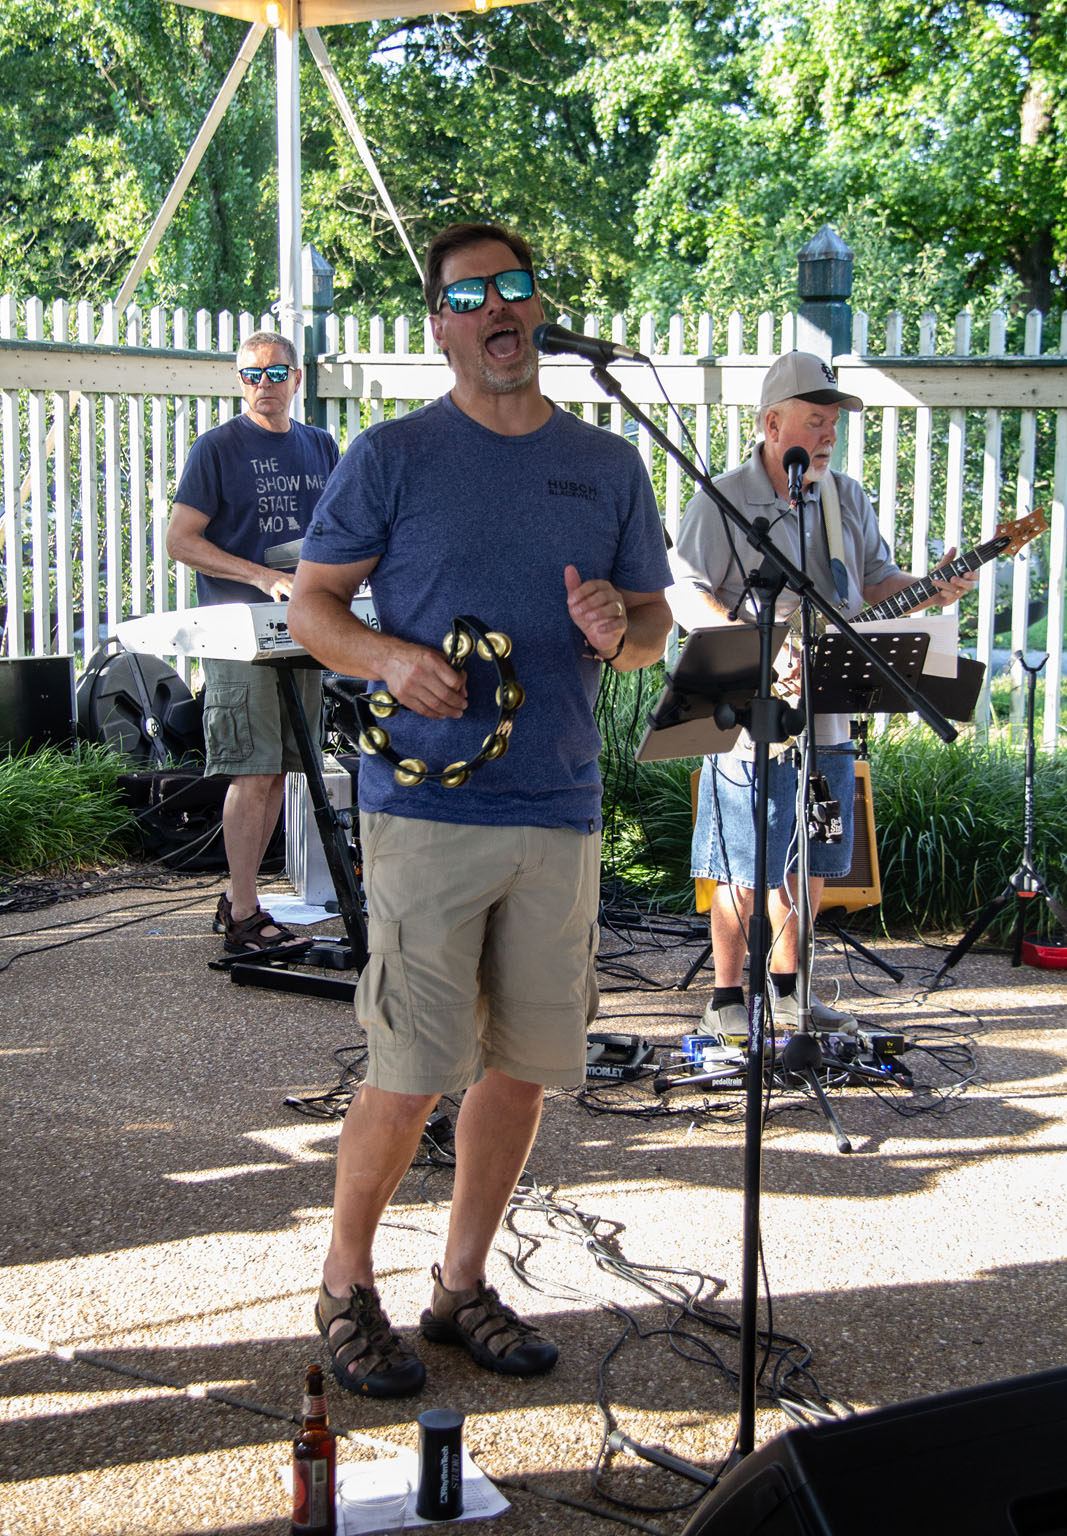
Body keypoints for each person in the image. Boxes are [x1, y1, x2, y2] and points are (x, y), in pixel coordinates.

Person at [287, 221, 673, 1398]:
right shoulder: (393, 453)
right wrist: (389, 660)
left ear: (538, 306)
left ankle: (460, 1286)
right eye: (472, 294)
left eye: (516, 286)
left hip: (557, 803)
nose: (500, 308)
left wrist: (624, 631)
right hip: (425, 809)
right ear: (441, 324)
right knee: (411, 1068)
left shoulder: (606, 464)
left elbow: (652, 629)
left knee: (522, 1066)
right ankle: (346, 1285)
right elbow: (312, 608)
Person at [670, 350, 974, 1041]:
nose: (829, 431)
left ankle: (786, 990)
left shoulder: (845, 497)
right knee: (739, 858)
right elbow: (683, 591)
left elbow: (872, 584)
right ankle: (725, 998)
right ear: (771, 424)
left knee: (812, 848)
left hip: (831, 708)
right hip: (748, 705)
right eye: (815, 418)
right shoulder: (721, 498)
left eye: (834, 418)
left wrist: (935, 585)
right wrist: (758, 646)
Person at [166, 332, 338, 952]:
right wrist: (261, 575)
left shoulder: (321, 445)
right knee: (253, 767)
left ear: (297, 379)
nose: (262, 384)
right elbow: (180, 540)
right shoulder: (216, 448)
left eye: (273, 373)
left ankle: (245, 906)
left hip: (305, 625)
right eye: (249, 374)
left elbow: (340, 529)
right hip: (238, 628)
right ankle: (242, 915)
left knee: (284, 770)